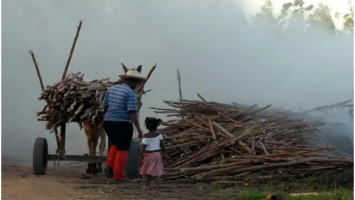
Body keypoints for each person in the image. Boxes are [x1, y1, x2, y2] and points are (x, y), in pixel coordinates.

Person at [101, 69, 145, 183]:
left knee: (116, 144)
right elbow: (132, 111)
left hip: (108, 123)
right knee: (123, 149)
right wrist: (139, 129)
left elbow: (104, 105)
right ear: (133, 81)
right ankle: (118, 176)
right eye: (137, 82)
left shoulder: (112, 88)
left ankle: (109, 165)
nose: (137, 85)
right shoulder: (130, 93)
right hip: (123, 124)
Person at [138, 117, 167, 188]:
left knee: (147, 170)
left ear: (147, 126)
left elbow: (143, 147)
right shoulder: (159, 135)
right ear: (157, 126)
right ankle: (157, 182)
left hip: (148, 155)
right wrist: (165, 153)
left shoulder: (145, 136)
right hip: (157, 155)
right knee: (157, 169)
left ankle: (147, 184)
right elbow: (162, 145)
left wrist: (140, 154)